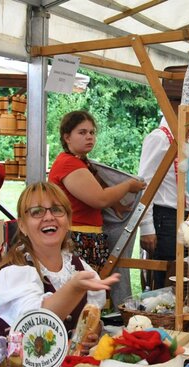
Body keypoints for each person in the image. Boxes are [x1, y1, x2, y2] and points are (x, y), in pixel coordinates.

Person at [0, 182, 120, 353]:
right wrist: (74, 288)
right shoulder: (14, 272)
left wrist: (92, 333)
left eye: (57, 210)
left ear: (68, 220)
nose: (49, 217)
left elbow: (91, 316)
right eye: (37, 212)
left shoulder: (79, 266)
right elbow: (36, 324)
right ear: (22, 225)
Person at [49, 110, 146, 270]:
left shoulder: (79, 162)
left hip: (84, 237)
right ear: (67, 137)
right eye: (82, 132)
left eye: (92, 132)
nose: (89, 137)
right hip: (77, 238)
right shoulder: (68, 163)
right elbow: (100, 199)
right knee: (84, 293)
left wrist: (115, 204)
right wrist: (128, 185)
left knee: (92, 293)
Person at [138, 116, 184, 289]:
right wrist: (147, 226)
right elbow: (144, 183)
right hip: (166, 218)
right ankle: (162, 315)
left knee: (184, 276)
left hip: (187, 218)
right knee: (166, 279)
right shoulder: (160, 137)